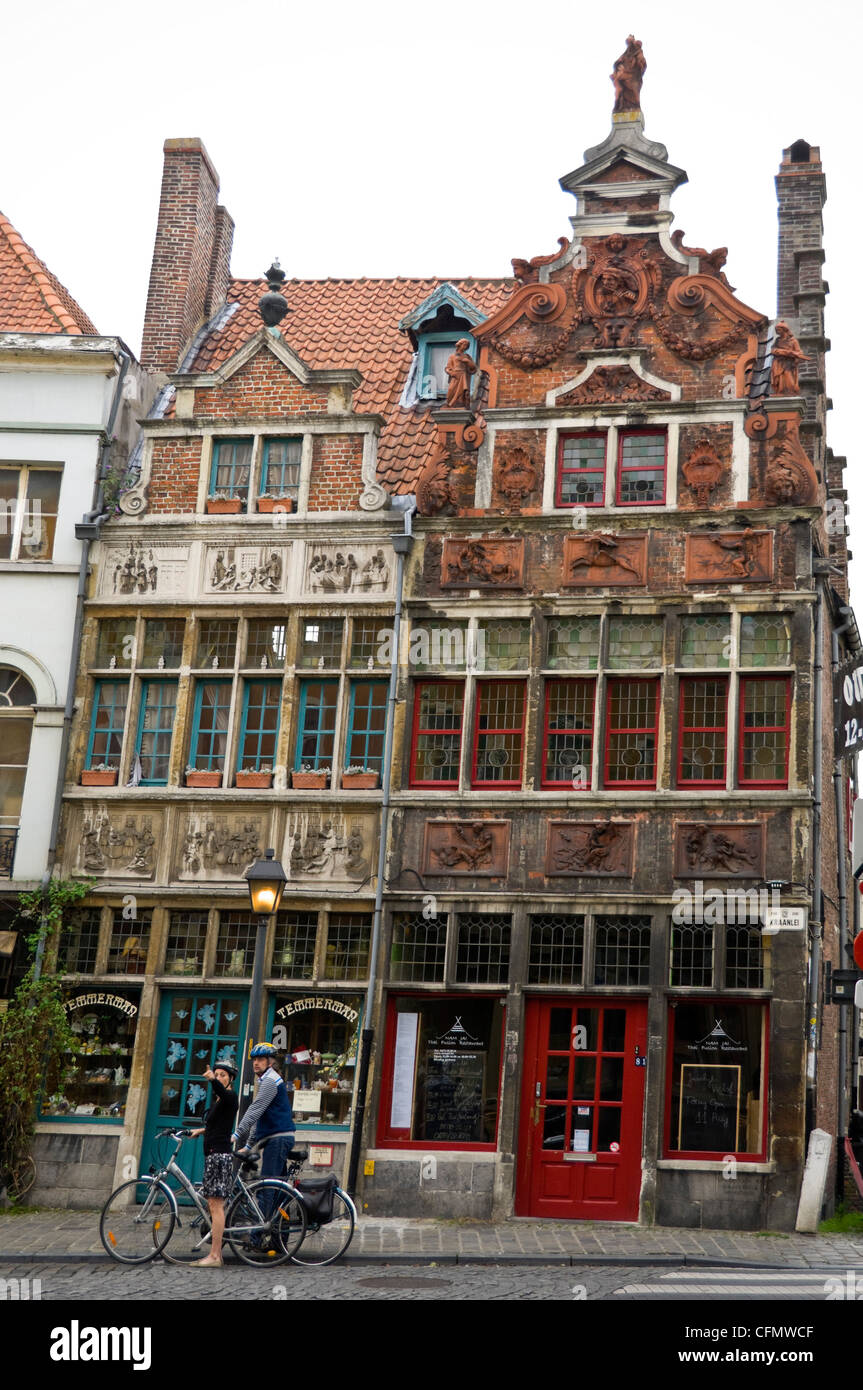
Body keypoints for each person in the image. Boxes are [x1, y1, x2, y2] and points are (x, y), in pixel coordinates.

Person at [189, 1061, 239, 1267]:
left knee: (216, 1206)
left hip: (220, 1156)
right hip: (212, 1155)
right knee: (213, 1204)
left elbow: (223, 1094)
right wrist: (199, 1131)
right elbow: (218, 1126)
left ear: (231, 1080)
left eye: (223, 1076)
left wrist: (211, 1079)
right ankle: (214, 1254)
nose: (218, 1078)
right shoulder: (220, 1101)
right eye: (216, 1074)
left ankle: (216, 1256)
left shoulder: (230, 1098)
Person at [233, 1042, 295, 1181]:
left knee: (266, 1187)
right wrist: (249, 1145)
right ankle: (284, 1202)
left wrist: (237, 1134)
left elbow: (255, 1110)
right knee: (277, 1185)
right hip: (278, 1138)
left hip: (277, 1139)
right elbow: (260, 1115)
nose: (256, 1063)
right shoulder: (266, 1080)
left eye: (260, 1059)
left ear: (270, 1062)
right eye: (254, 1059)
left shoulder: (270, 1081)